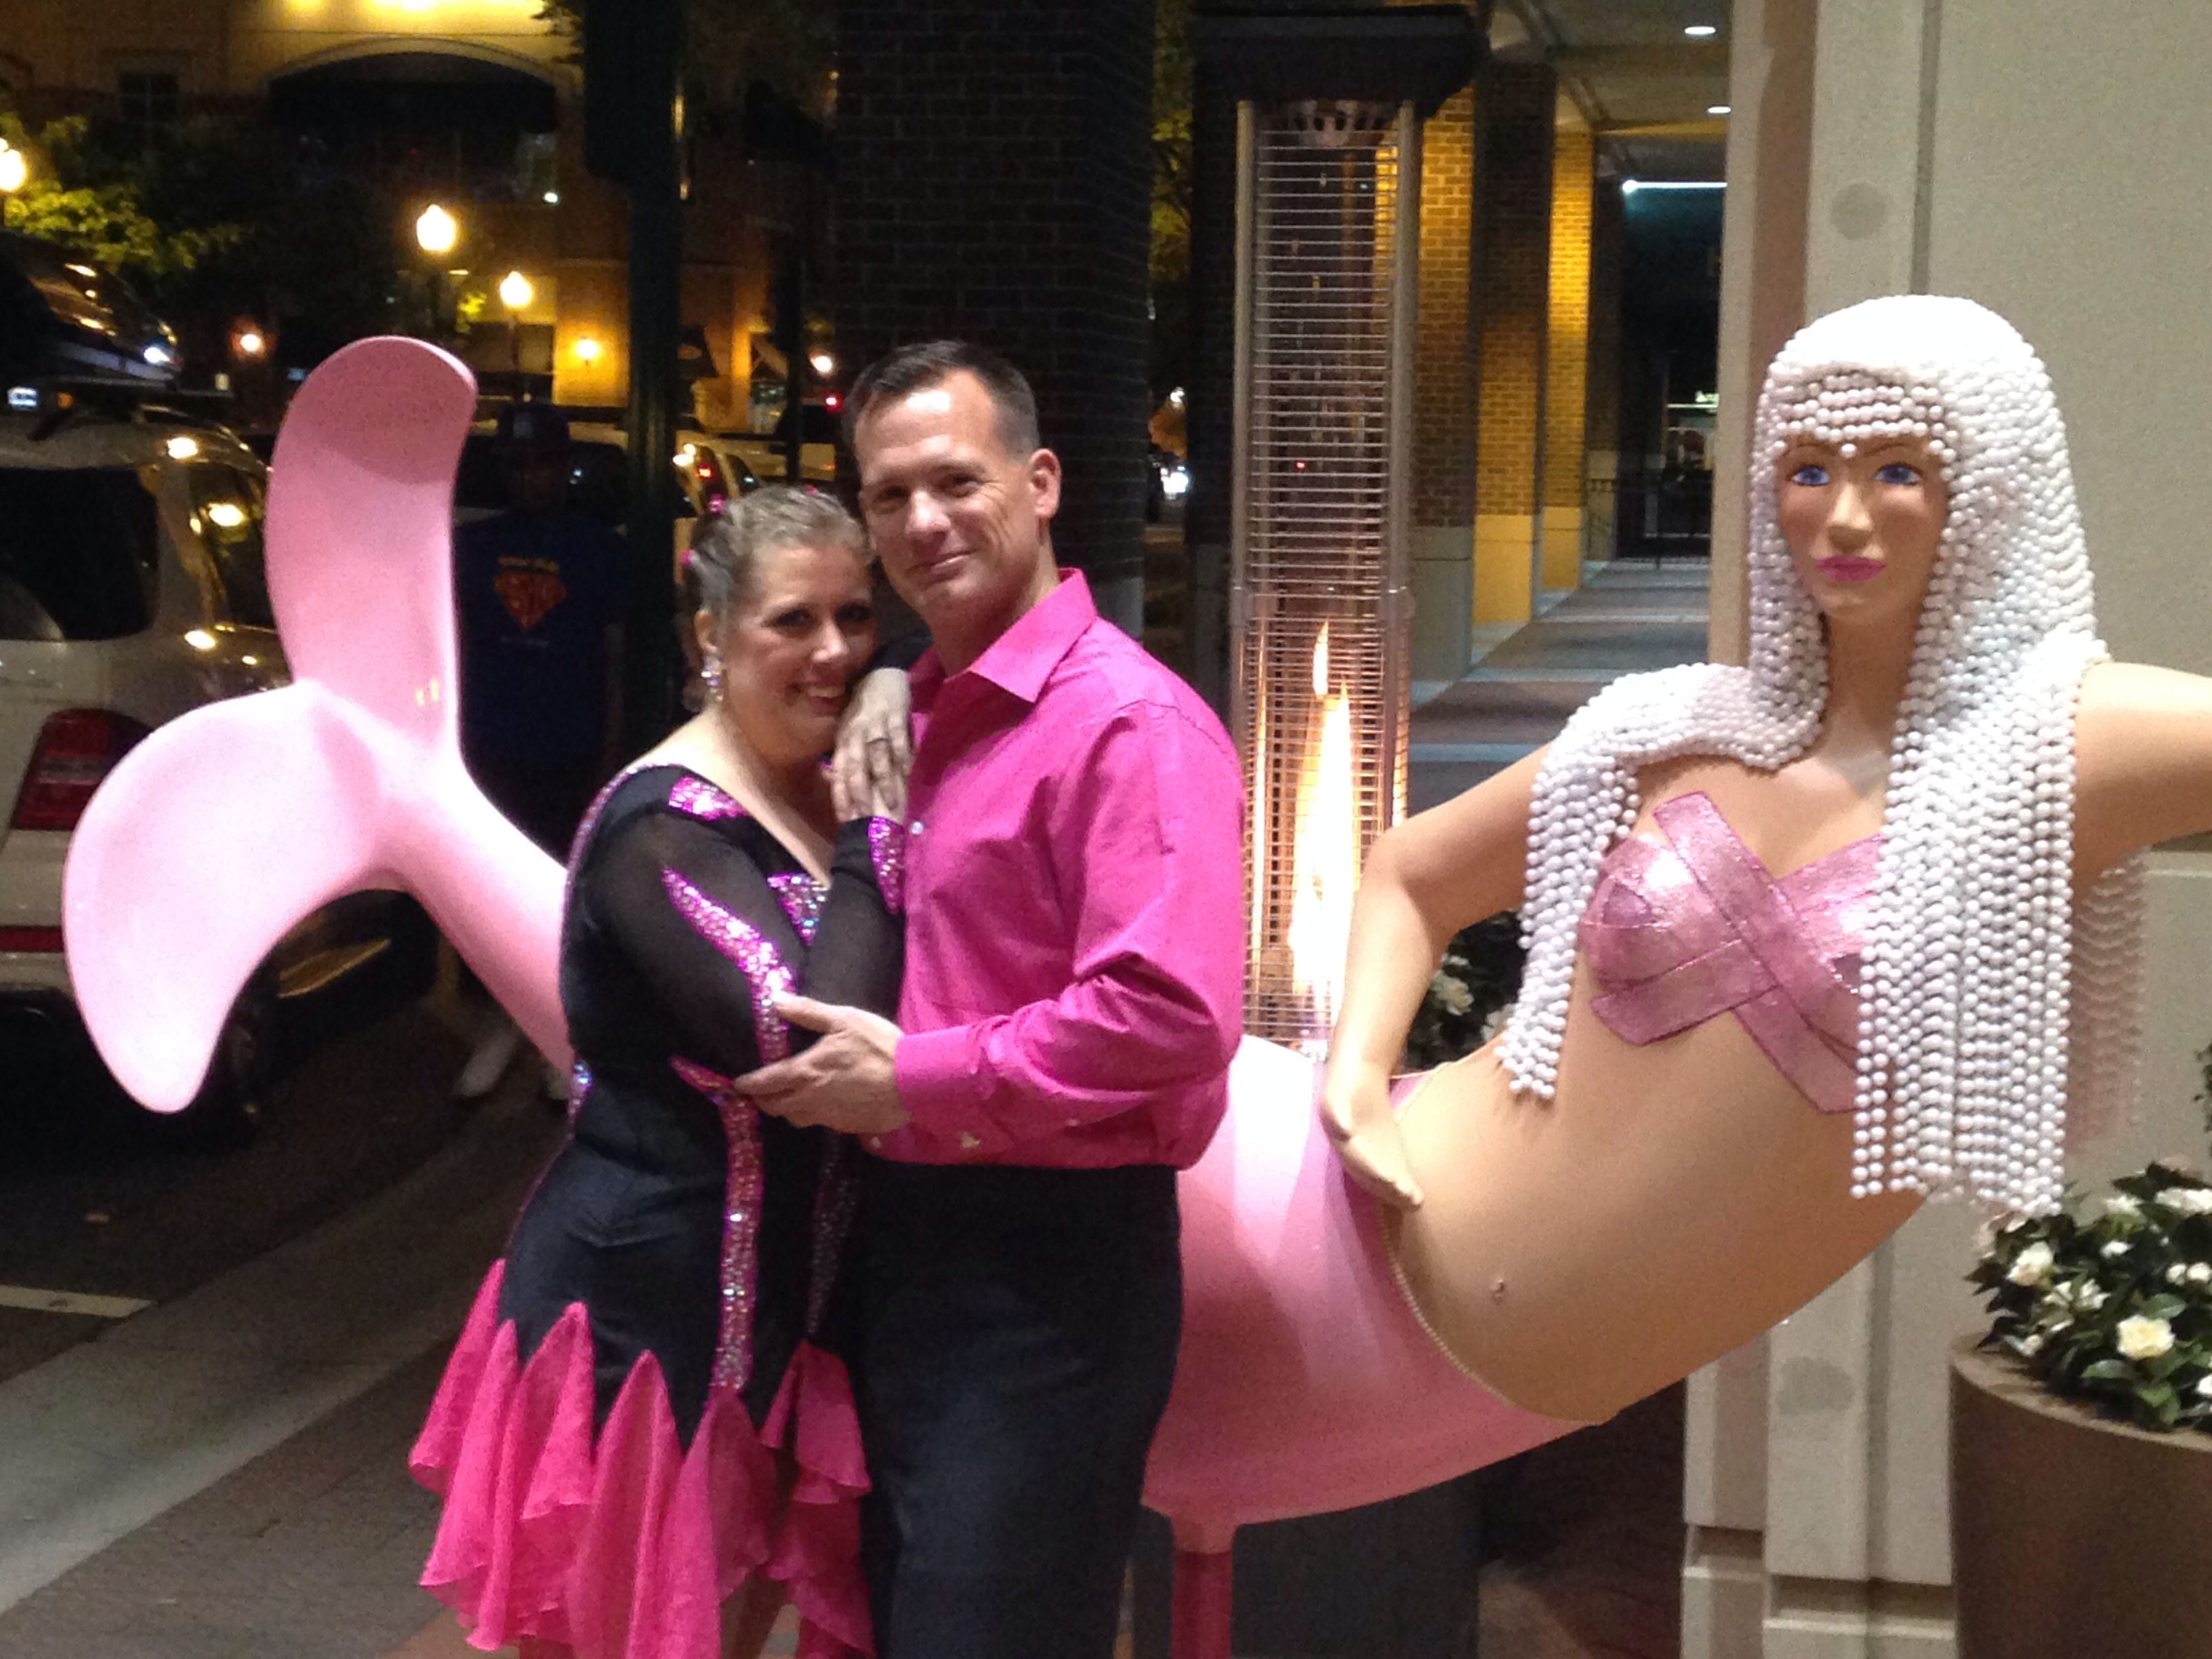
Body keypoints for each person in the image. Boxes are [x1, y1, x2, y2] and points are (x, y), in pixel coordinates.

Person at [1315, 293, 2210, 1427]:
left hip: (1485, 1377)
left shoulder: (2053, 755)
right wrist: (1352, 1072)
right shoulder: (1664, 730)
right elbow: (1410, 870)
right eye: (1804, 469)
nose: (1841, 516)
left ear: (1987, 492)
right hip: (1347, 1211)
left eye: (1895, 469)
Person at [736, 342, 1246, 1658]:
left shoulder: (1132, 723)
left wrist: (916, 1077)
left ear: (1041, 481)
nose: (922, 521)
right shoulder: (935, 705)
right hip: (913, 1249)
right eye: (889, 494)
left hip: (1052, 1270)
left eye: (956, 481)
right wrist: (897, 674)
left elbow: (1173, 1009)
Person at [410, 486, 908, 1659]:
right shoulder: (662, 826)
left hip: (782, 1316)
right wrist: (877, 830)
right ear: (711, 637)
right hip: (642, 1329)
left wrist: (895, 681)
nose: (830, 650)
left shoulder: (807, 765)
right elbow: (806, 1039)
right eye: (792, 620)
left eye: (852, 617)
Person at [450, 403, 628, 1100]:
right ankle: (499, 1025)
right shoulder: (470, 547)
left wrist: (612, 754)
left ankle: (554, 1034)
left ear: (563, 466)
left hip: (571, 745)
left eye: (543, 462)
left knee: (561, 893)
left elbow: (615, 658)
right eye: (518, 464)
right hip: (490, 745)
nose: (531, 477)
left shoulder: (599, 550)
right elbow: (451, 646)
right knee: (484, 896)